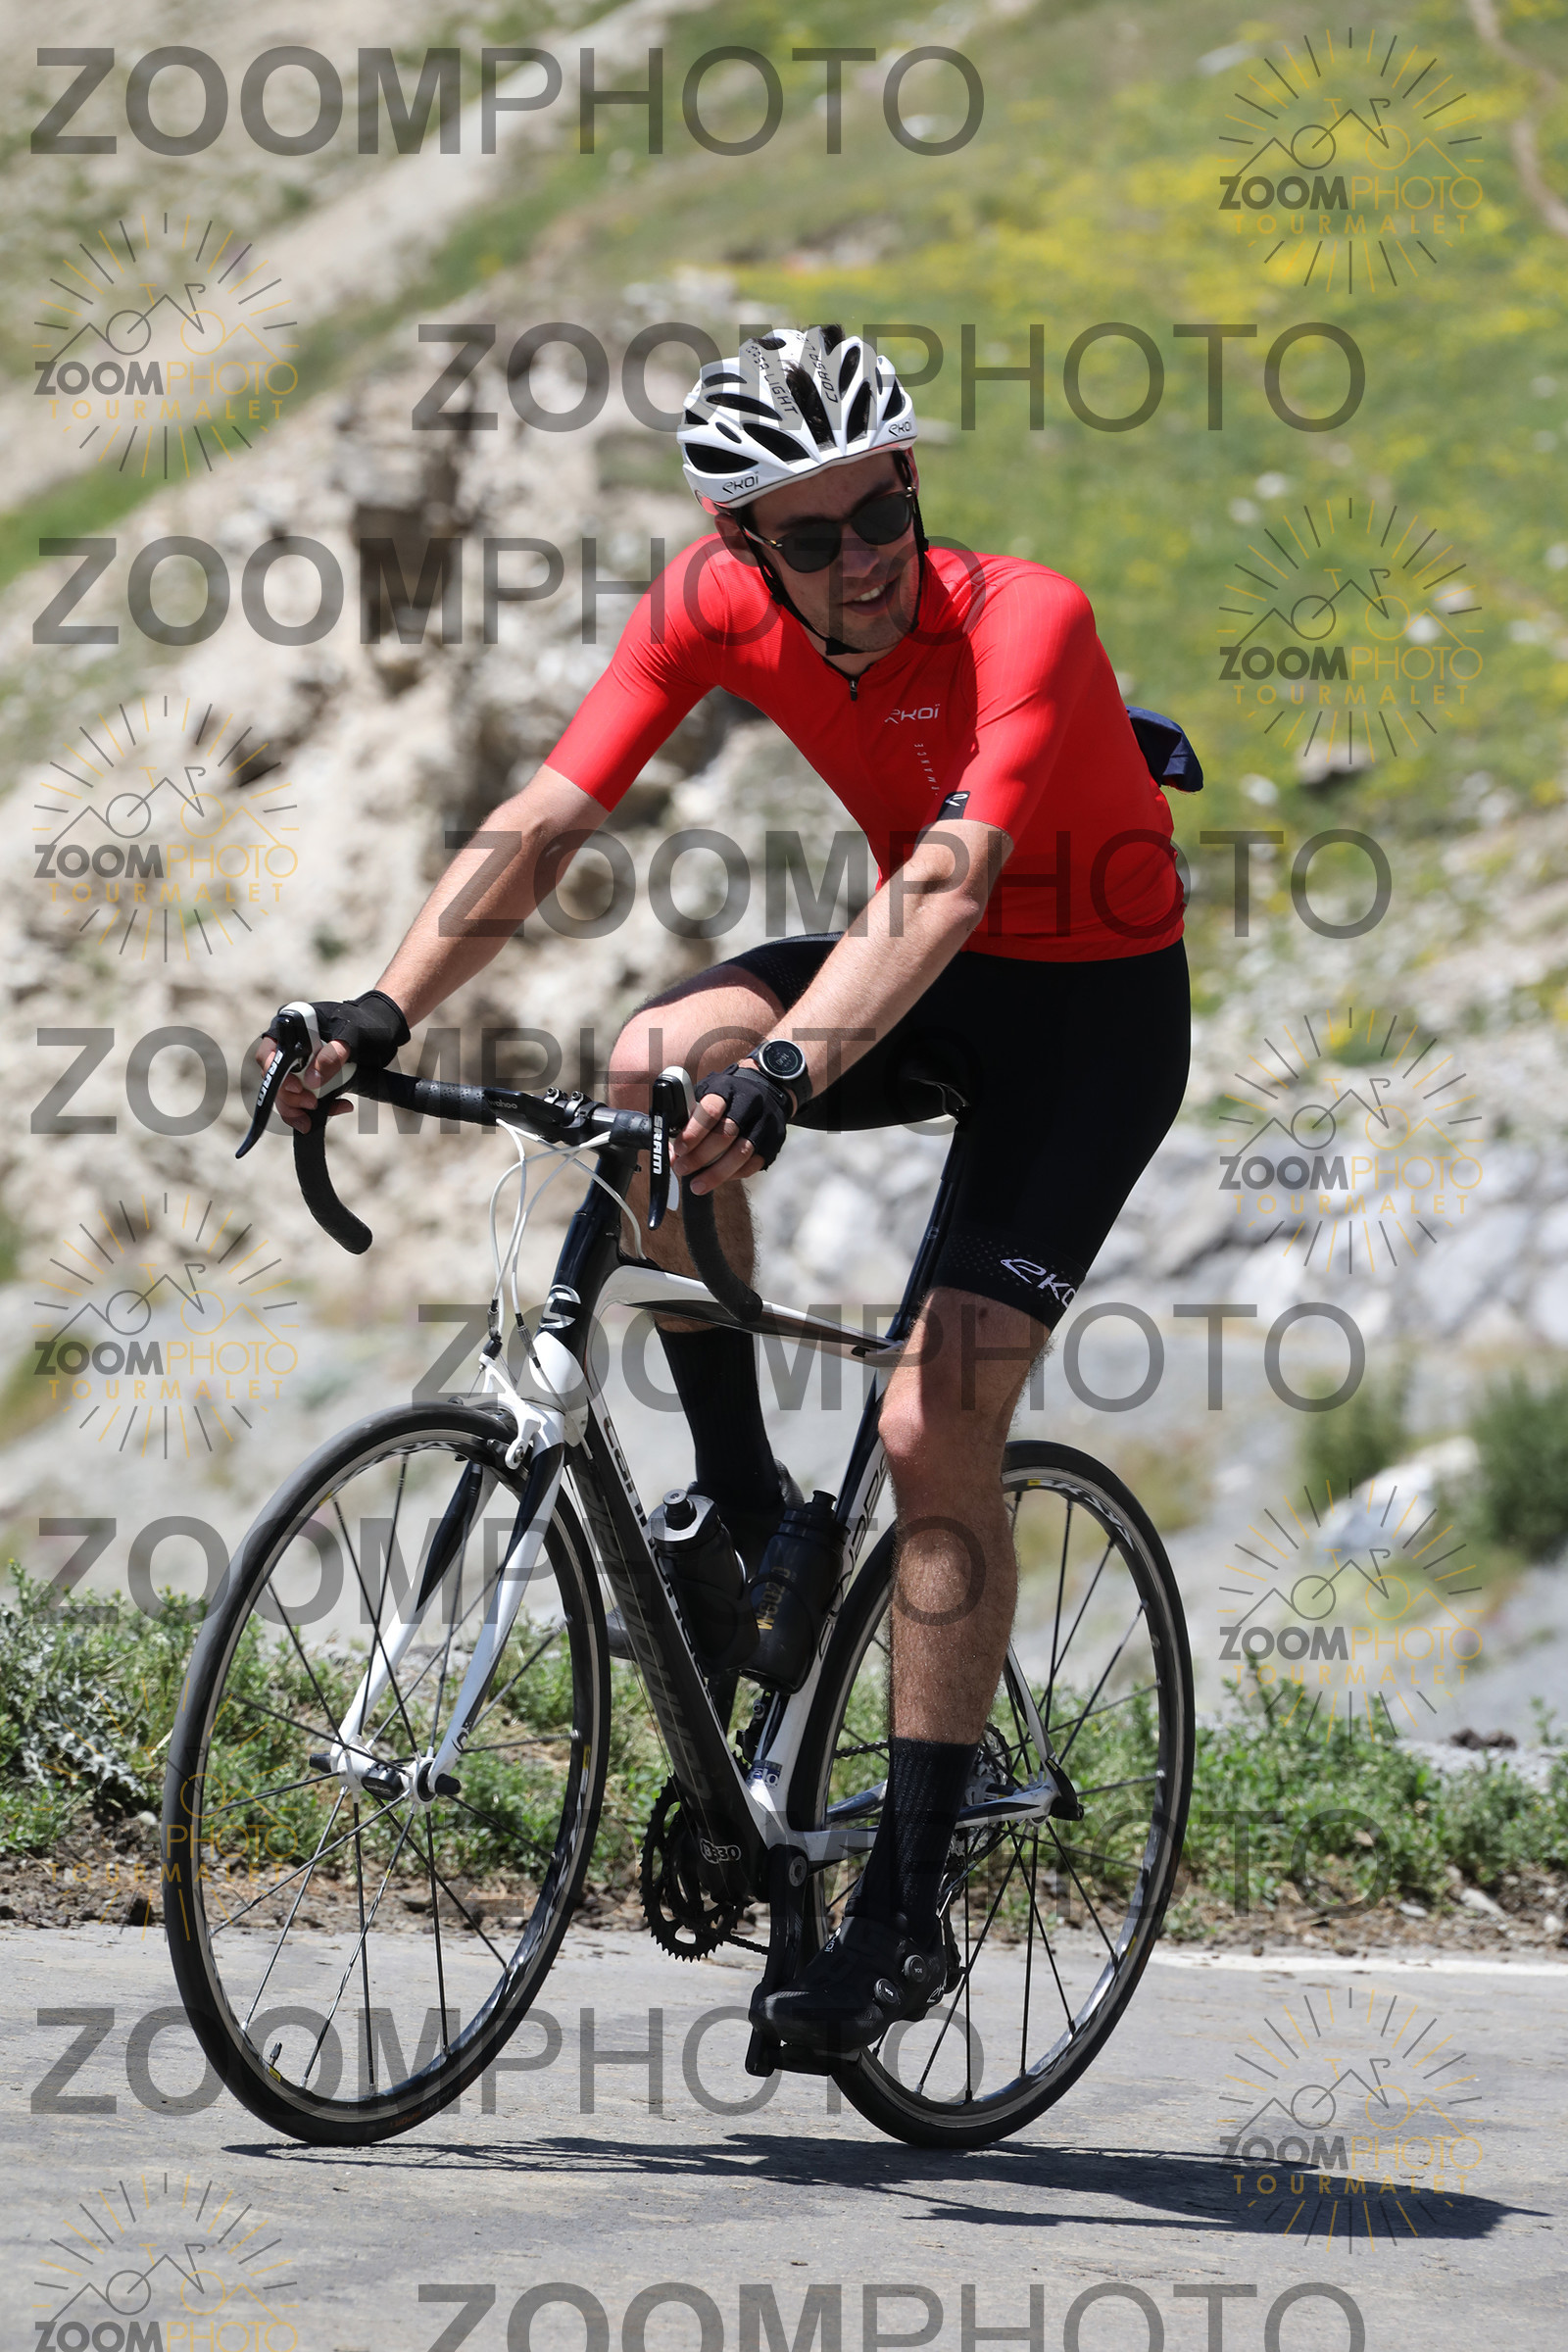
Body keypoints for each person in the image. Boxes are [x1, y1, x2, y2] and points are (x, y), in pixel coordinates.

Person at [268, 324, 1191, 2057]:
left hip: (1088, 1019)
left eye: (882, 514)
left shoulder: (1030, 618)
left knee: (929, 1422)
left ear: (912, 485)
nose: (862, 561)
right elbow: (552, 811)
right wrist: (380, 1007)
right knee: (645, 1063)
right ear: (742, 542)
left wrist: (787, 1075)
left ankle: (901, 1917)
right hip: (912, 978)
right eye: (812, 536)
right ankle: (754, 1510)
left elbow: (948, 879)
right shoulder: (709, 604)